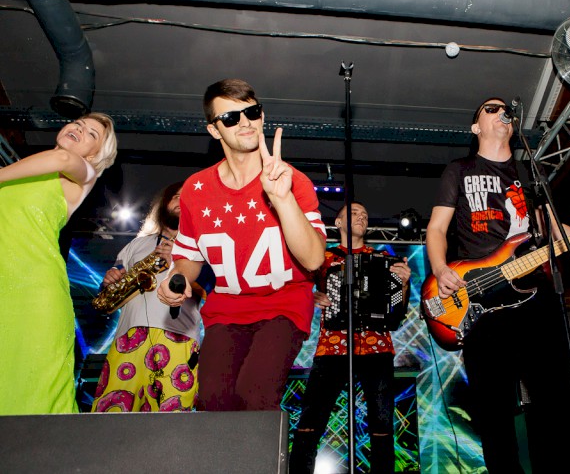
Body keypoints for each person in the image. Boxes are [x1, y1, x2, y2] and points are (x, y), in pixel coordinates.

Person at [425, 97, 570, 473]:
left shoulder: (528, 175)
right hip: (481, 301)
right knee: (494, 412)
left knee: (556, 402)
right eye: (490, 108)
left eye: (505, 110)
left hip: (535, 298)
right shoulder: (459, 170)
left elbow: (554, 230)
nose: (501, 113)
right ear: (476, 127)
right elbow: (436, 228)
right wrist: (440, 267)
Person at [157, 78, 326, 411]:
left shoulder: (292, 180)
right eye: (231, 118)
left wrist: (283, 198)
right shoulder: (196, 189)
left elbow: (313, 259)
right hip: (228, 308)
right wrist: (176, 278)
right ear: (214, 130)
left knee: (255, 395)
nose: (246, 122)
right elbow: (189, 257)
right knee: (213, 402)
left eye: (252, 112)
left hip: (284, 303)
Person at [0, 112, 117, 415]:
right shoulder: (21, 173)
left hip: (33, 292)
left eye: (92, 134)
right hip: (3, 284)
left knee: (34, 387)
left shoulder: (82, 176)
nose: (80, 129)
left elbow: (62, 159)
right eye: (78, 124)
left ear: (94, 155)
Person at [289, 201, 412, 474]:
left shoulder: (383, 258)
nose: (361, 217)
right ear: (338, 222)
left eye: (365, 214)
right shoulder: (321, 257)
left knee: (382, 424)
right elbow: (297, 289)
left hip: (377, 347)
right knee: (311, 421)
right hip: (332, 347)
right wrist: (312, 297)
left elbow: (396, 314)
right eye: (354, 213)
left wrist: (403, 285)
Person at [92, 181, 204, 412]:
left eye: (188, 198)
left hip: (179, 338)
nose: (181, 201)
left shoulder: (202, 248)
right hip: (128, 337)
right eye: (175, 196)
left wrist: (178, 265)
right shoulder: (135, 245)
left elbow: (209, 290)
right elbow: (111, 291)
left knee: (172, 421)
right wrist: (110, 280)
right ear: (164, 204)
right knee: (112, 415)